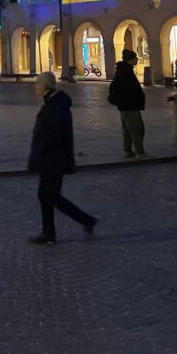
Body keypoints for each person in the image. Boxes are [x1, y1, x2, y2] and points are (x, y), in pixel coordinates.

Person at [27, 72, 97, 245]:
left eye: (37, 84)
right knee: (46, 196)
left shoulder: (56, 106)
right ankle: (49, 233)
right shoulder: (53, 103)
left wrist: (40, 152)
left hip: (53, 159)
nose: (35, 87)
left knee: (51, 196)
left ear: (46, 87)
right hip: (49, 159)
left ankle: (84, 220)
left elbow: (55, 134)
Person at [108, 49, 147, 158]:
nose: (137, 60)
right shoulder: (126, 72)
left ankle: (128, 149)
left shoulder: (123, 70)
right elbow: (130, 89)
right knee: (137, 128)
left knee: (127, 128)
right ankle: (139, 151)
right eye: (135, 58)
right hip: (130, 105)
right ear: (131, 60)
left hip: (126, 105)